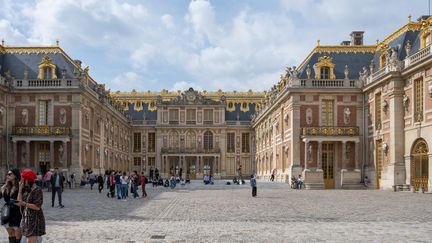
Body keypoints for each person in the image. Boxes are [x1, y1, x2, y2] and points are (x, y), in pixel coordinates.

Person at [16, 169, 46, 243]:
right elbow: (19, 202)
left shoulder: (37, 190)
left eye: (23, 179)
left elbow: (37, 207)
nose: (21, 181)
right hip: (27, 218)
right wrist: (20, 189)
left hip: (35, 219)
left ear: (27, 180)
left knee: (30, 241)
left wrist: (24, 204)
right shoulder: (27, 190)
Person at [0, 169, 22, 243]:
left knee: (17, 233)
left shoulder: (20, 185)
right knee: (10, 233)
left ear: (15, 175)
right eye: (7, 174)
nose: (7, 175)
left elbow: (21, 199)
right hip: (7, 212)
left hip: (17, 211)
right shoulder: (5, 186)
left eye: (10, 174)